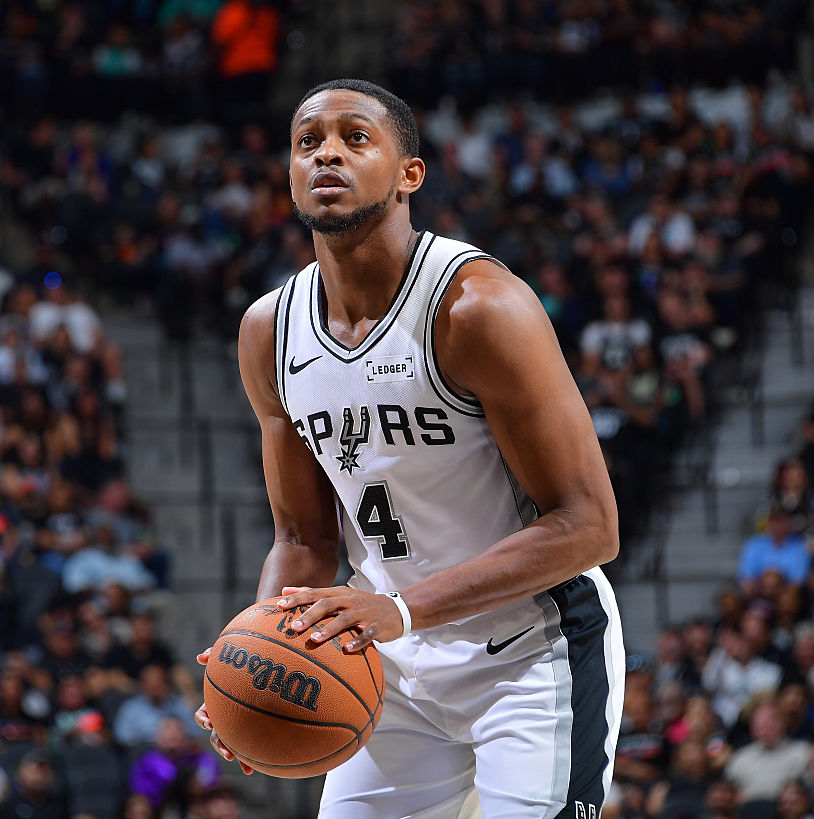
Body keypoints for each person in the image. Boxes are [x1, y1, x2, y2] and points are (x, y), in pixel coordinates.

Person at [195, 78, 625, 817]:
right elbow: (302, 540)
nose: (327, 153)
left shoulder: (477, 307)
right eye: (308, 141)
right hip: (384, 659)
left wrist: (401, 609)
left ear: (409, 175)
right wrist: (256, 657)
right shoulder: (269, 331)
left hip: (533, 648)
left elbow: (589, 526)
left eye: (355, 137)